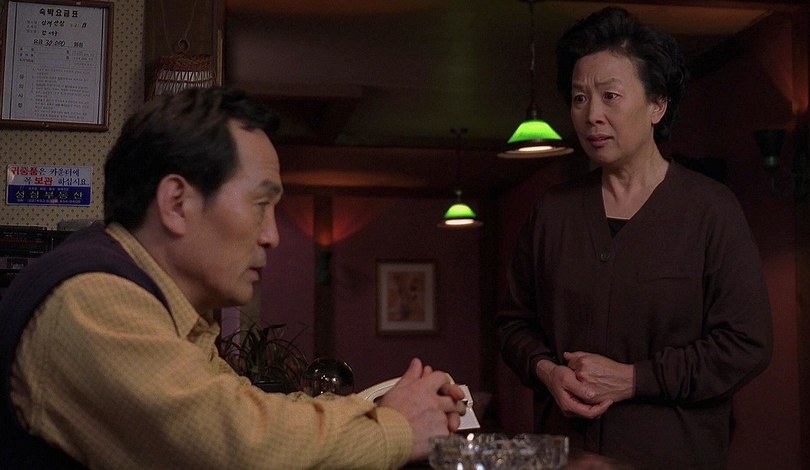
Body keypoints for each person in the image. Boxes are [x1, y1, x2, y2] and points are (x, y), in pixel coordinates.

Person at [0, 86, 464, 469]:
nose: (272, 236)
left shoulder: (159, 304)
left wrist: (385, 410)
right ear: (177, 203)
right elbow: (238, 447)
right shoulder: (93, 300)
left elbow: (246, 408)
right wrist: (397, 428)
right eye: (261, 205)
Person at [494, 7, 772, 469]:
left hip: (673, 456)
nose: (592, 115)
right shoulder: (553, 212)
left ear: (657, 105)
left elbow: (746, 343)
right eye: (579, 98)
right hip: (566, 455)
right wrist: (547, 372)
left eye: (610, 96)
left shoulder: (710, 209)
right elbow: (512, 324)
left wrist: (635, 379)